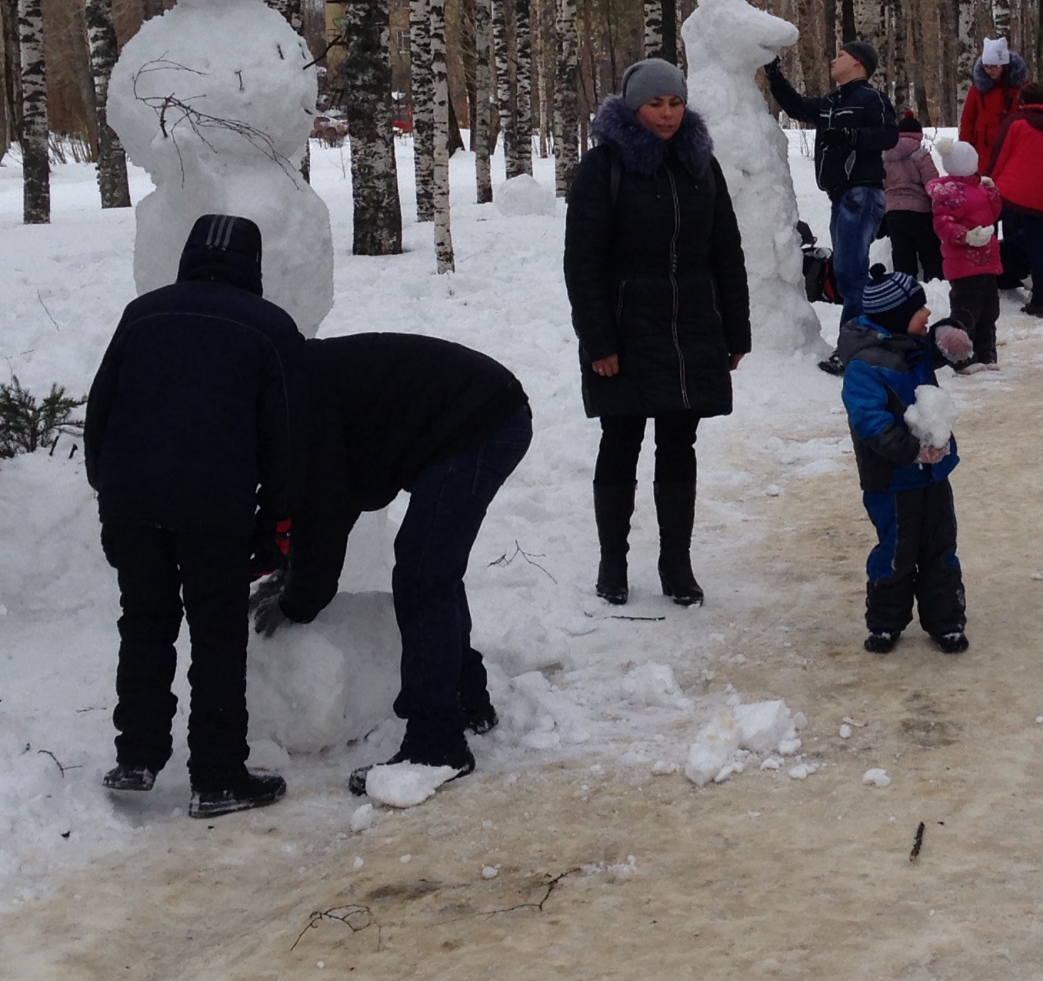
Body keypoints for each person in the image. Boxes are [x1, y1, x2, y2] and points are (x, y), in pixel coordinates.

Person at [84, 214, 305, 818]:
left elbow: (99, 413)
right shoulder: (270, 327)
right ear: (253, 266)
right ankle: (217, 776)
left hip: (132, 500)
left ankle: (138, 756)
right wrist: (275, 527)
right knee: (217, 634)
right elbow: (286, 439)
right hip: (215, 506)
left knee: (146, 621)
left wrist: (110, 492)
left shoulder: (143, 314)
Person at [252, 335, 531, 792]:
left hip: (481, 421)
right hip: (475, 413)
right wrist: (295, 574)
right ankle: (465, 697)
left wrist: (298, 600)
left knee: (425, 572)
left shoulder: (298, 403)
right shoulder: (293, 384)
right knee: (431, 563)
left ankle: (436, 744)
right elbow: (329, 504)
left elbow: (324, 512)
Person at [565, 59, 752, 608]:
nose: (667, 115)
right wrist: (599, 341)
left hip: (691, 323)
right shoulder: (604, 168)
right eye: (655, 104)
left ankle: (677, 563)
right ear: (632, 107)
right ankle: (612, 562)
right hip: (624, 326)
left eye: (674, 103)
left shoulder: (701, 164)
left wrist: (735, 330)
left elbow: (726, 251)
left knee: (679, 443)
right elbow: (582, 262)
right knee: (620, 441)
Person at [839, 271, 975, 653]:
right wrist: (912, 451)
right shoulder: (865, 367)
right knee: (897, 549)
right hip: (892, 480)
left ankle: (946, 619)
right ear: (897, 317)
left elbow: (942, 345)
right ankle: (885, 621)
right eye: (919, 308)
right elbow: (870, 423)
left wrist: (951, 333)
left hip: (933, 476)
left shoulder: (911, 346)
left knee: (939, 546)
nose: (927, 311)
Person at [763, 40, 898, 373]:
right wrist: (774, 73)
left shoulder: (871, 98)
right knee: (845, 273)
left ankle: (853, 349)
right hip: (841, 196)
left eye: (839, 55)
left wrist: (851, 136)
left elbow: (889, 135)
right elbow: (795, 107)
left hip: (862, 193)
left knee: (851, 275)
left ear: (857, 63)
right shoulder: (831, 102)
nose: (832, 59)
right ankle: (867, 338)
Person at [987, 80, 1043, 318]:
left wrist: (988, 183)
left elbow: (1000, 156)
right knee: (1039, 250)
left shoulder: (1015, 123)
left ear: (1021, 101)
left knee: (992, 235)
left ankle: (988, 282)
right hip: (1042, 202)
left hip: (1009, 194)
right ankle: (1039, 301)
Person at [930, 138, 1004, 370]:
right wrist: (967, 236)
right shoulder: (948, 193)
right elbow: (943, 224)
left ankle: (986, 354)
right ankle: (961, 357)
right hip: (963, 263)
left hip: (987, 261)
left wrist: (992, 192)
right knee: (966, 311)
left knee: (989, 311)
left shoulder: (978, 187)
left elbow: (993, 214)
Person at [881, 112, 942, 281]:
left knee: (902, 256)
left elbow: (882, 184)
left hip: (893, 213)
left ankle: (904, 290)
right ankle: (935, 284)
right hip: (920, 213)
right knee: (930, 252)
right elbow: (932, 183)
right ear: (919, 135)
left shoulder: (885, 156)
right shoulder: (921, 154)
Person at [960, 35, 1030, 154]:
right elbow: (968, 120)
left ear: (1003, 64)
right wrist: (964, 148)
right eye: (986, 66)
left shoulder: (1020, 88)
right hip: (982, 150)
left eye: (994, 66)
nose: (989, 70)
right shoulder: (977, 89)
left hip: (1012, 148)